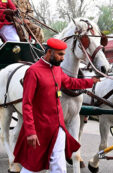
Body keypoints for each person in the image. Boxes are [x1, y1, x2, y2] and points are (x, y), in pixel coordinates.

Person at [13, 38, 100, 173]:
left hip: (58, 127)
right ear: (49, 52)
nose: (63, 58)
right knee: (31, 167)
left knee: (59, 165)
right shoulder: (33, 72)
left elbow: (70, 83)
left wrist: (90, 81)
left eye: (64, 54)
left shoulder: (57, 70)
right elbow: (27, 104)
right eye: (60, 54)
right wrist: (30, 132)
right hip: (39, 128)